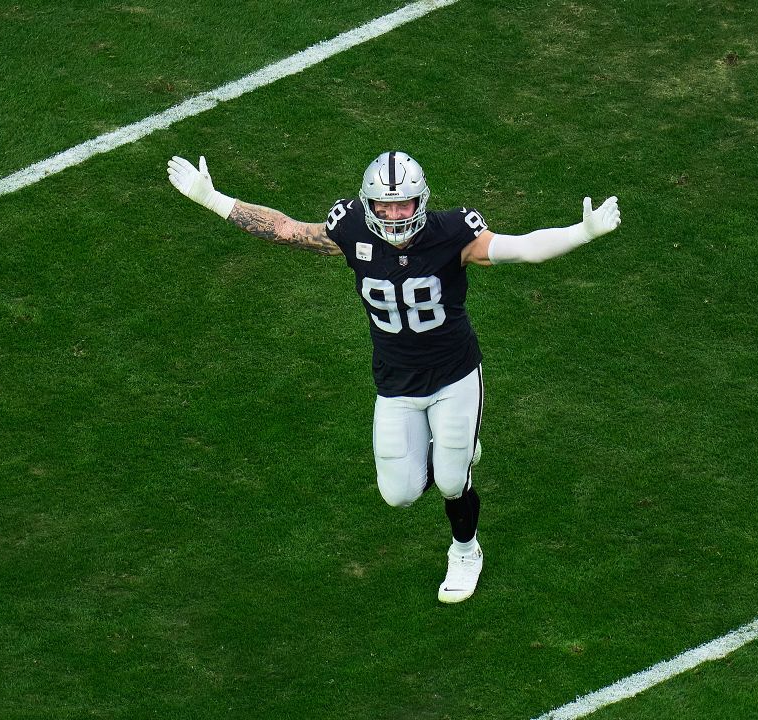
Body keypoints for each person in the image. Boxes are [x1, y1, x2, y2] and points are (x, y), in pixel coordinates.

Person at [167, 150, 621, 603]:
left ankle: (465, 550)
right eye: (385, 206)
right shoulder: (351, 228)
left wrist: (582, 232)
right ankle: (453, 449)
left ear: (420, 201)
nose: (395, 214)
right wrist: (213, 199)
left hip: (454, 375)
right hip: (396, 382)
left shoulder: (451, 234)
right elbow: (288, 230)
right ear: (369, 204)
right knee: (398, 495)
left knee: (450, 481)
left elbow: (521, 249)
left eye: (403, 204)